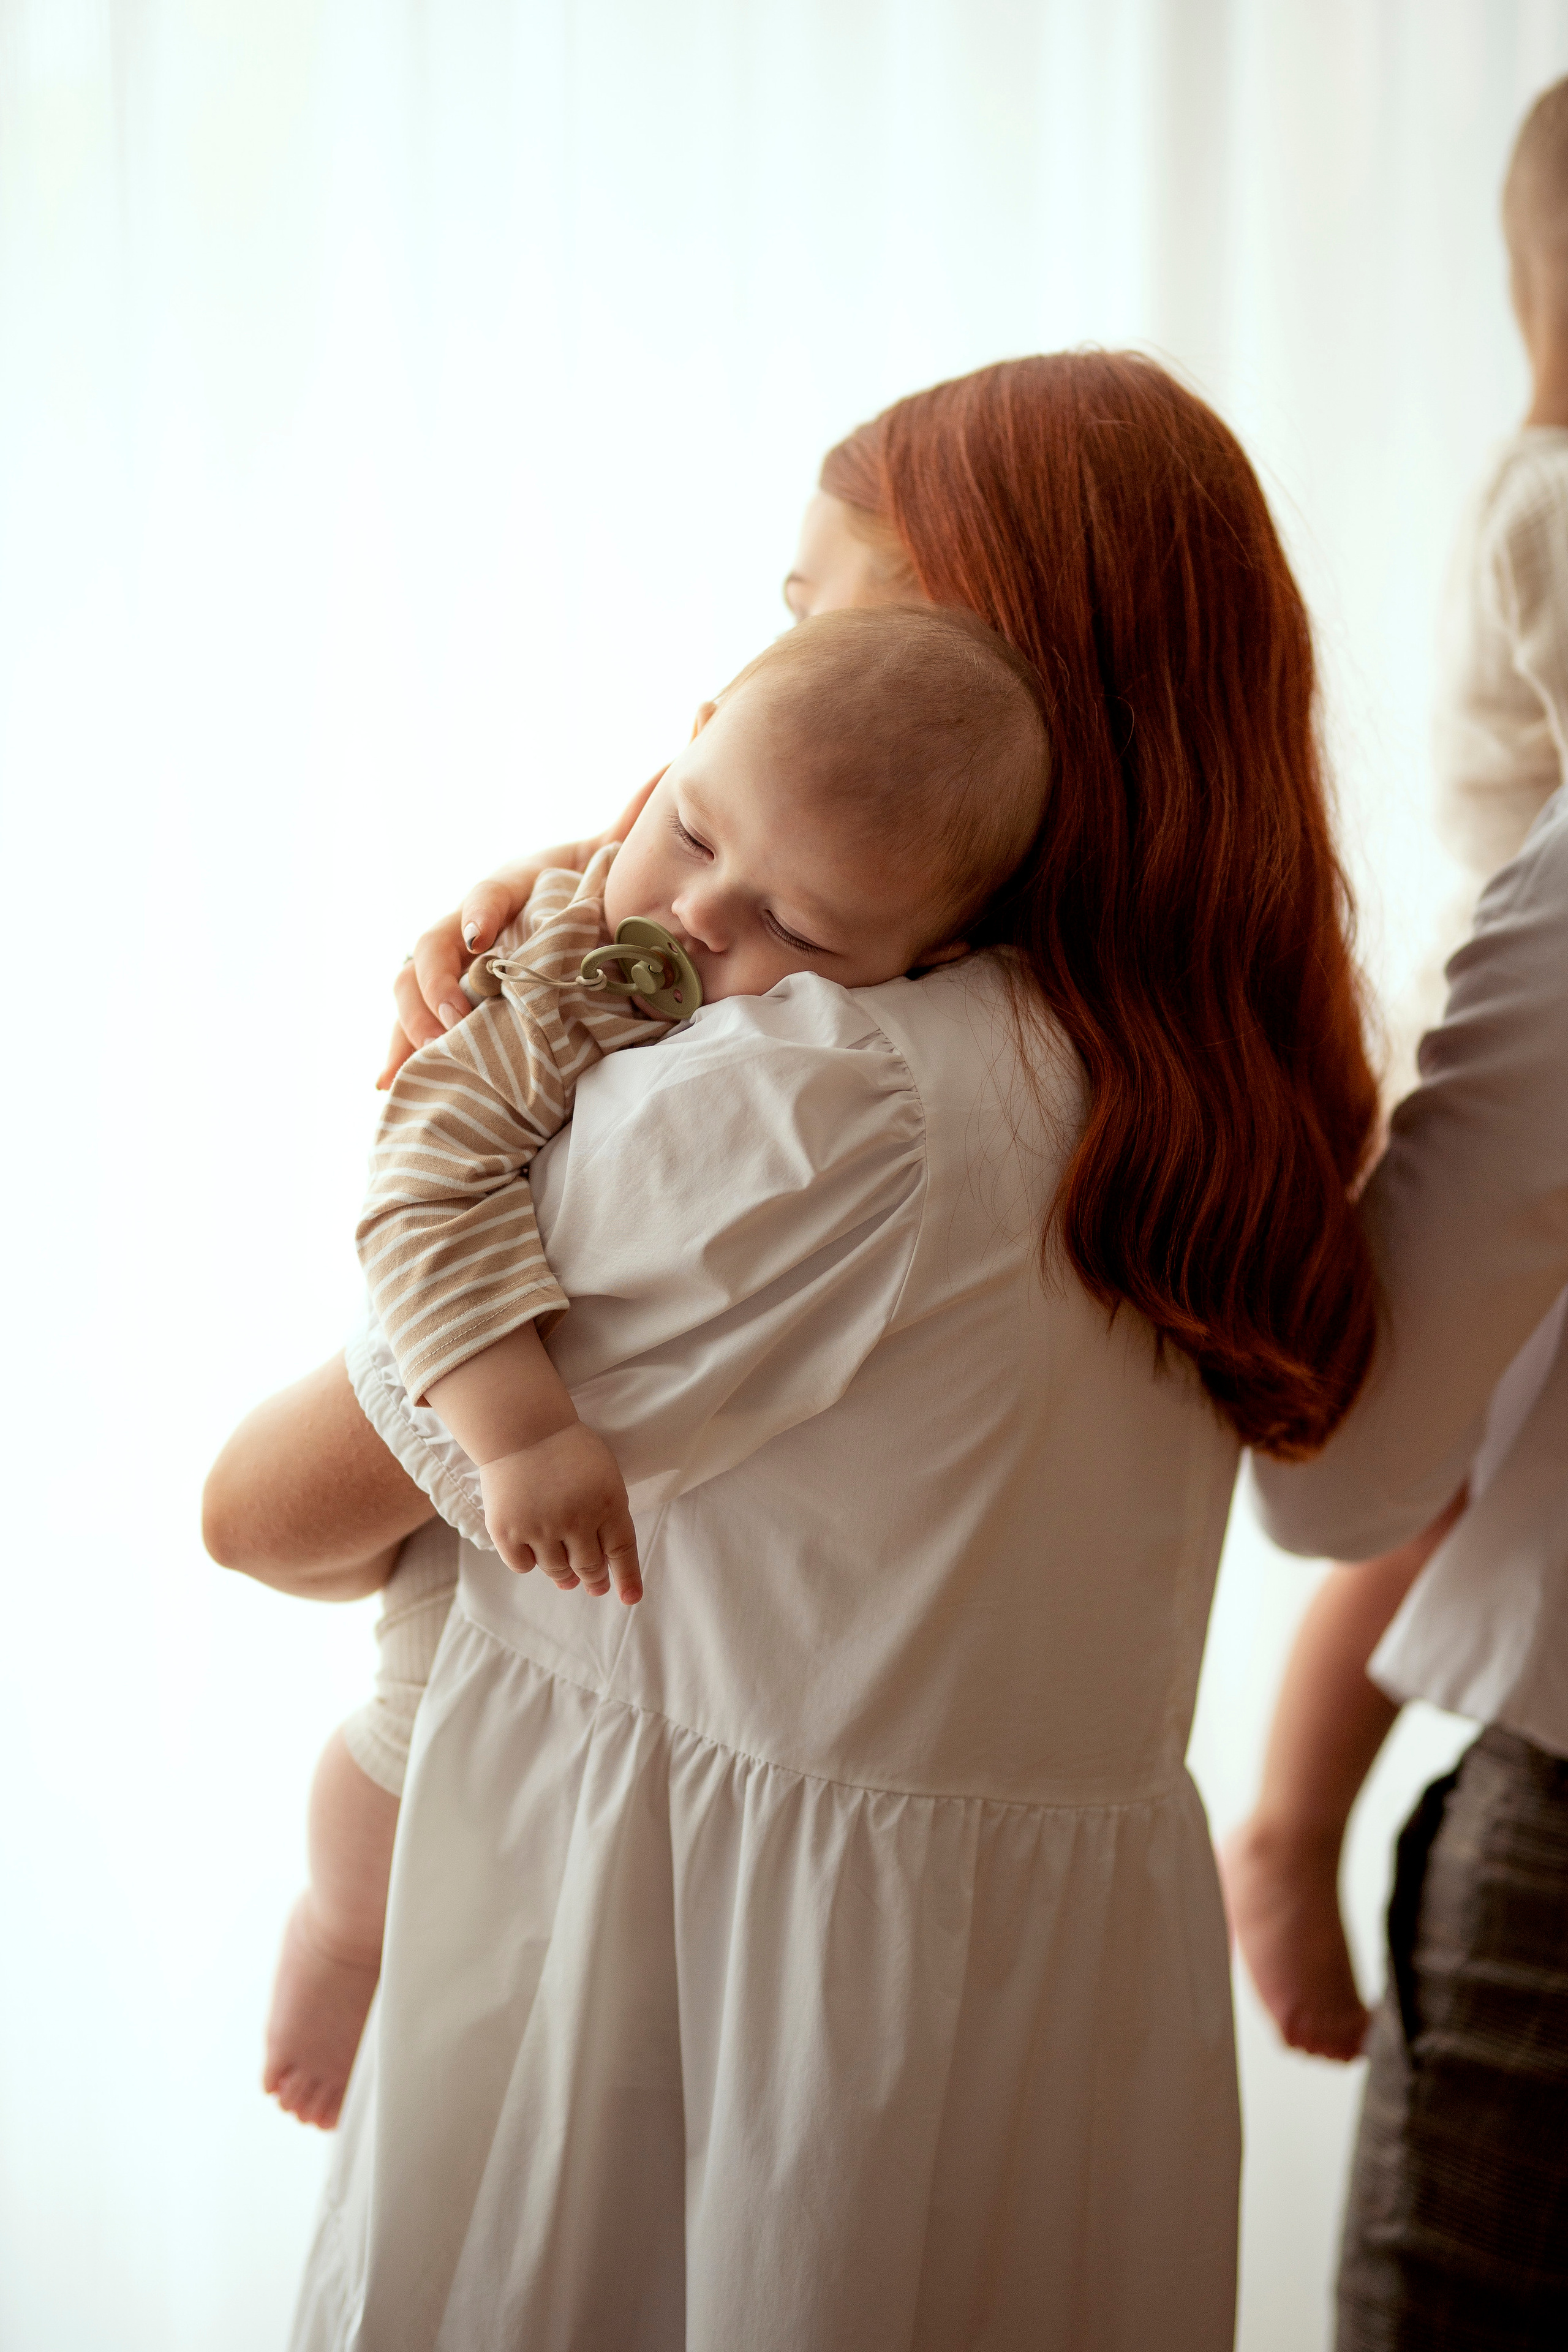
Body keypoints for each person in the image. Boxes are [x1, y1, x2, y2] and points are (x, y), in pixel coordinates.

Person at [205, 352, 1381, 2351]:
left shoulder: (827, 1109)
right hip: (1016, 2047)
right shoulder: (1207, 1102)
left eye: (820, 617)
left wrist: (523, 1068)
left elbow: (270, 1517)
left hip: (698, 2047)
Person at [239, 603, 1052, 2133]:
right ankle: (335, 1935)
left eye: (796, 934)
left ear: (930, 961)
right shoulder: (572, 970)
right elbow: (416, 1181)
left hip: (614, 1487)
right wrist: (519, 1434)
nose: (695, 921)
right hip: (480, 1395)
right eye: (685, 832)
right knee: (404, 1736)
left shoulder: (866, 1047)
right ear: (665, 766)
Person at [1225, 75, 1568, 2096]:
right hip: (1500, 992)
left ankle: (1288, 1810)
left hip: (1507, 991)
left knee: (1462, 1482)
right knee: (1428, 1478)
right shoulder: (1557, 508)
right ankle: (1284, 1811)